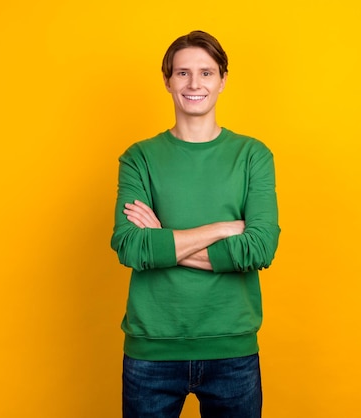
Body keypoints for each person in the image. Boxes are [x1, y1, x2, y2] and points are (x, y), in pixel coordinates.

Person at [110, 30, 280, 418]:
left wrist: (162, 241)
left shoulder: (252, 155)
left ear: (222, 80)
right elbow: (130, 247)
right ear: (168, 81)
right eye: (183, 73)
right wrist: (223, 228)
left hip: (232, 350)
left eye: (206, 72)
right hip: (151, 351)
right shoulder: (139, 158)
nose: (194, 84)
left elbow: (259, 248)